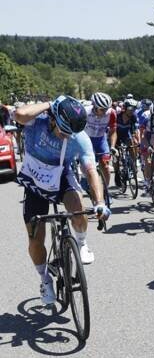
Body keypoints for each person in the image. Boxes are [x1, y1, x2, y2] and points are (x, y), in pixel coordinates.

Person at [14, 97, 110, 304]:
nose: (66, 137)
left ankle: (82, 243)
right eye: (63, 131)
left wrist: (100, 202)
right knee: (35, 239)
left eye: (70, 133)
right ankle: (45, 280)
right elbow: (19, 115)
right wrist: (50, 104)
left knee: (78, 206)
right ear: (52, 119)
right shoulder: (37, 121)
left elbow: (91, 171)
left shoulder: (79, 137)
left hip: (60, 176)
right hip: (34, 181)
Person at [83, 92, 117, 203]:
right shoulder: (85, 112)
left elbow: (113, 131)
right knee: (90, 167)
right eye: (102, 109)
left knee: (106, 166)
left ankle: (105, 192)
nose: (105, 111)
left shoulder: (111, 113)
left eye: (106, 108)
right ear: (94, 106)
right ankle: (87, 182)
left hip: (101, 139)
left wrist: (112, 146)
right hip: (86, 140)